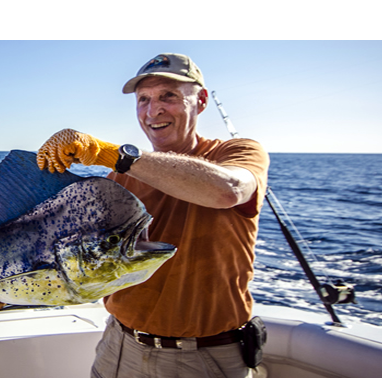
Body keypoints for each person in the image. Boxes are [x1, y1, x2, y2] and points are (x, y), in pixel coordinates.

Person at [35, 53, 270, 378]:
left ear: (200, 101)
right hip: (118, 346)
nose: (153, 110)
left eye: (168, 96)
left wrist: (112, 154)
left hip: (204, 357)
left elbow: (228, 190)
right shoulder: (119, 177)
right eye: (143, 99)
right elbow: (71, 259)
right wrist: (1, 294)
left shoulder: (237, 153)